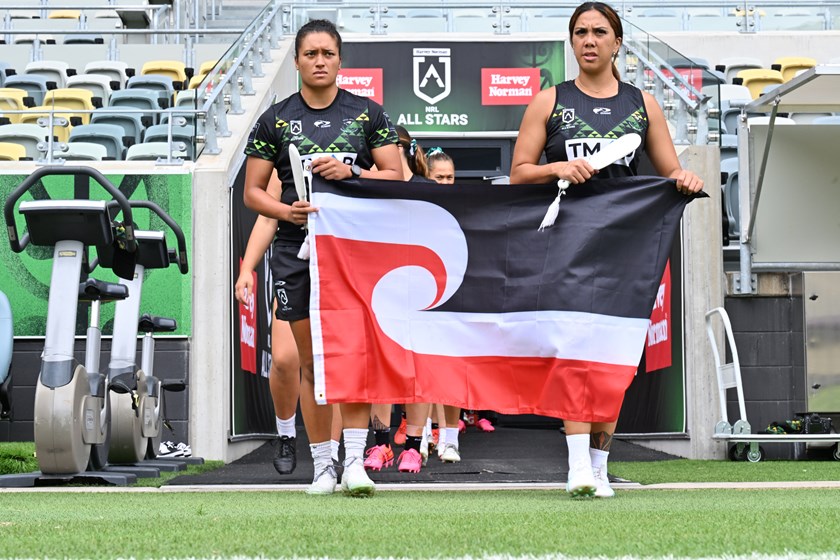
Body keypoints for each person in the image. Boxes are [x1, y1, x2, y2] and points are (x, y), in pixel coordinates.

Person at [509, 1, 703, 499]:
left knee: (612, 356)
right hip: (567, 245)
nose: (589, 40)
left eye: (599, 32)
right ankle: (576, 466)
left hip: (626, 249)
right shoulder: (548, 102)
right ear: (571, 42)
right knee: (575, 351)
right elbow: (519, 173)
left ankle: (599, 464)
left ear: (618, 42)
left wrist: (684, 176)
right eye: (580, 32)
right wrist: (558, 169)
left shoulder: (644, 104)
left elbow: (670, 173)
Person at [243, 19, 402, 497]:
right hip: (296, 249)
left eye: (327, 54)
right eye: (310, 54)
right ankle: (322, 466)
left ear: (339, 60)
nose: (319, 61)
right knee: (311, 363)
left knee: (350, 357)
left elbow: (396, 175)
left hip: (352, 248)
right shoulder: (276, 119)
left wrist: (352, 169)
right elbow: (253, 193)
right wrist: (286, 210)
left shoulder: (366, 113)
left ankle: (355, 461)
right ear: (296, 61)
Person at [363, 125, 436, 475]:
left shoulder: (427, 190)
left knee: (416, 370)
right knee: (380, 369)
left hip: (420, 293)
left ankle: (413, 447)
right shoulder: (367, 188)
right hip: (378, 291)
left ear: (400, 149)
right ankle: (380, 445)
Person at [235, 172, 301, 476]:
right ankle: (286, 434)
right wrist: (247, 268)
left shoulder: (354, 148)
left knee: (332, 363)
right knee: (285, 359)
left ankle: (333, 450)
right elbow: (265, 219)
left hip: (342, 259)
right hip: (294, 261)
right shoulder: (286, 151)